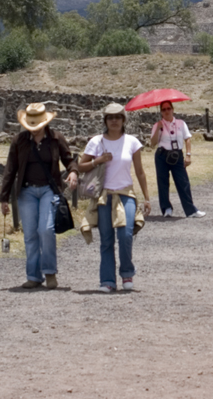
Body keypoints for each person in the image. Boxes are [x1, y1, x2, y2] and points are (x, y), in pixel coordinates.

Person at [0, 102, 78, 289]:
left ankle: (50, 273)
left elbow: (69, 160)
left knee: (46, 229)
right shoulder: (19, 140)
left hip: (48, 190)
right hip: (26, 191)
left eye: (36, 125)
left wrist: (73, 172)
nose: (33, 129)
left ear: (44, 123)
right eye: (30, 125)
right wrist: (4, 198)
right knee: (30, 235)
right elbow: (11, 169)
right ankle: (33, 276)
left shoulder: (56, 138)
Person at [79, 103, 153, 292]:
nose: (114, 121)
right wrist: (98, 160)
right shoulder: (96, 141)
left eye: (118, 117)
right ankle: (107, 281)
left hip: (125, 193)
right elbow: (81, 166)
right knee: (106, 239)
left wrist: (146, 198)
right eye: (110, 117)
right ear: (105, 120)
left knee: (126, 235)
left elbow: (140, 171)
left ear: (123, 120)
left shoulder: (132, 142)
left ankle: (127, 274)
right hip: (103, 195)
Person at [150, 100, 205, 219]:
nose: (166, 111)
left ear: (172, 109)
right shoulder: (158, 125)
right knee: (163, 183)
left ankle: (191, 210)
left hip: (177, 155)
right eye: (163, 109)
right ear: (161, 112)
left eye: (168, 108)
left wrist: (188, 155)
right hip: (162, 155)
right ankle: (166, 209)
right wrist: (158, 129)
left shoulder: (180, 123)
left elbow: (187, 139)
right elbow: (153, 143)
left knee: (183, 182)